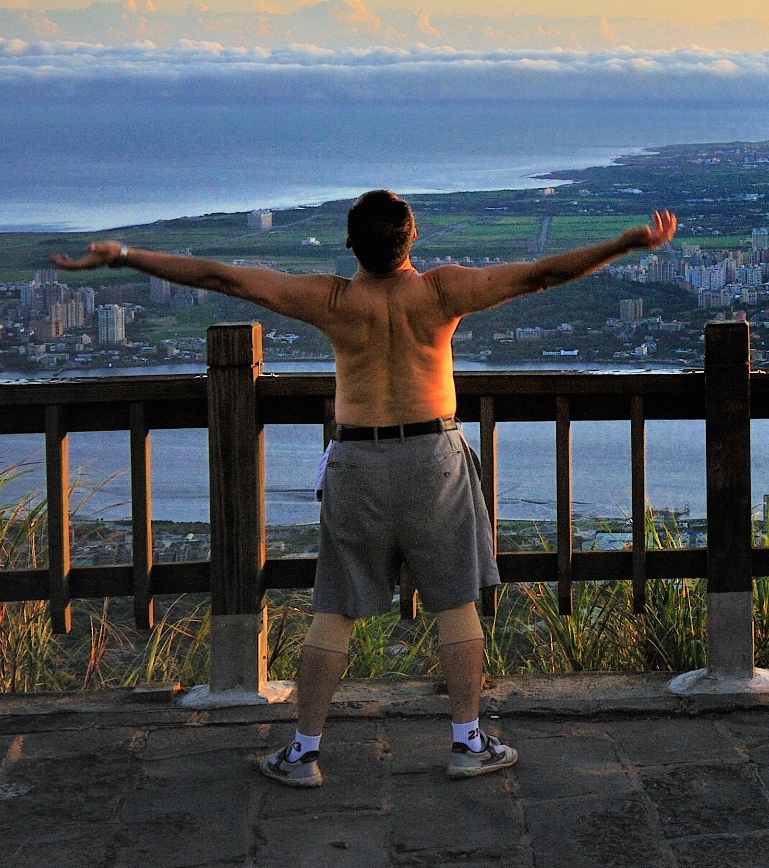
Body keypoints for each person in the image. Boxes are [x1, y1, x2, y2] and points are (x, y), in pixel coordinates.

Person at [52, 190, 678, 787]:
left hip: (356, 460)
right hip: (434, 457)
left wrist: (128, 255)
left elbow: (226, 278)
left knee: (335, 611)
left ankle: (304, 752)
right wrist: (625, 242)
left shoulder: (332, 301)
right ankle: (466, 742)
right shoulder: (441, 292)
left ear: (351, 247)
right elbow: (540, 275)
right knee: (456, 603)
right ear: (412, 240)